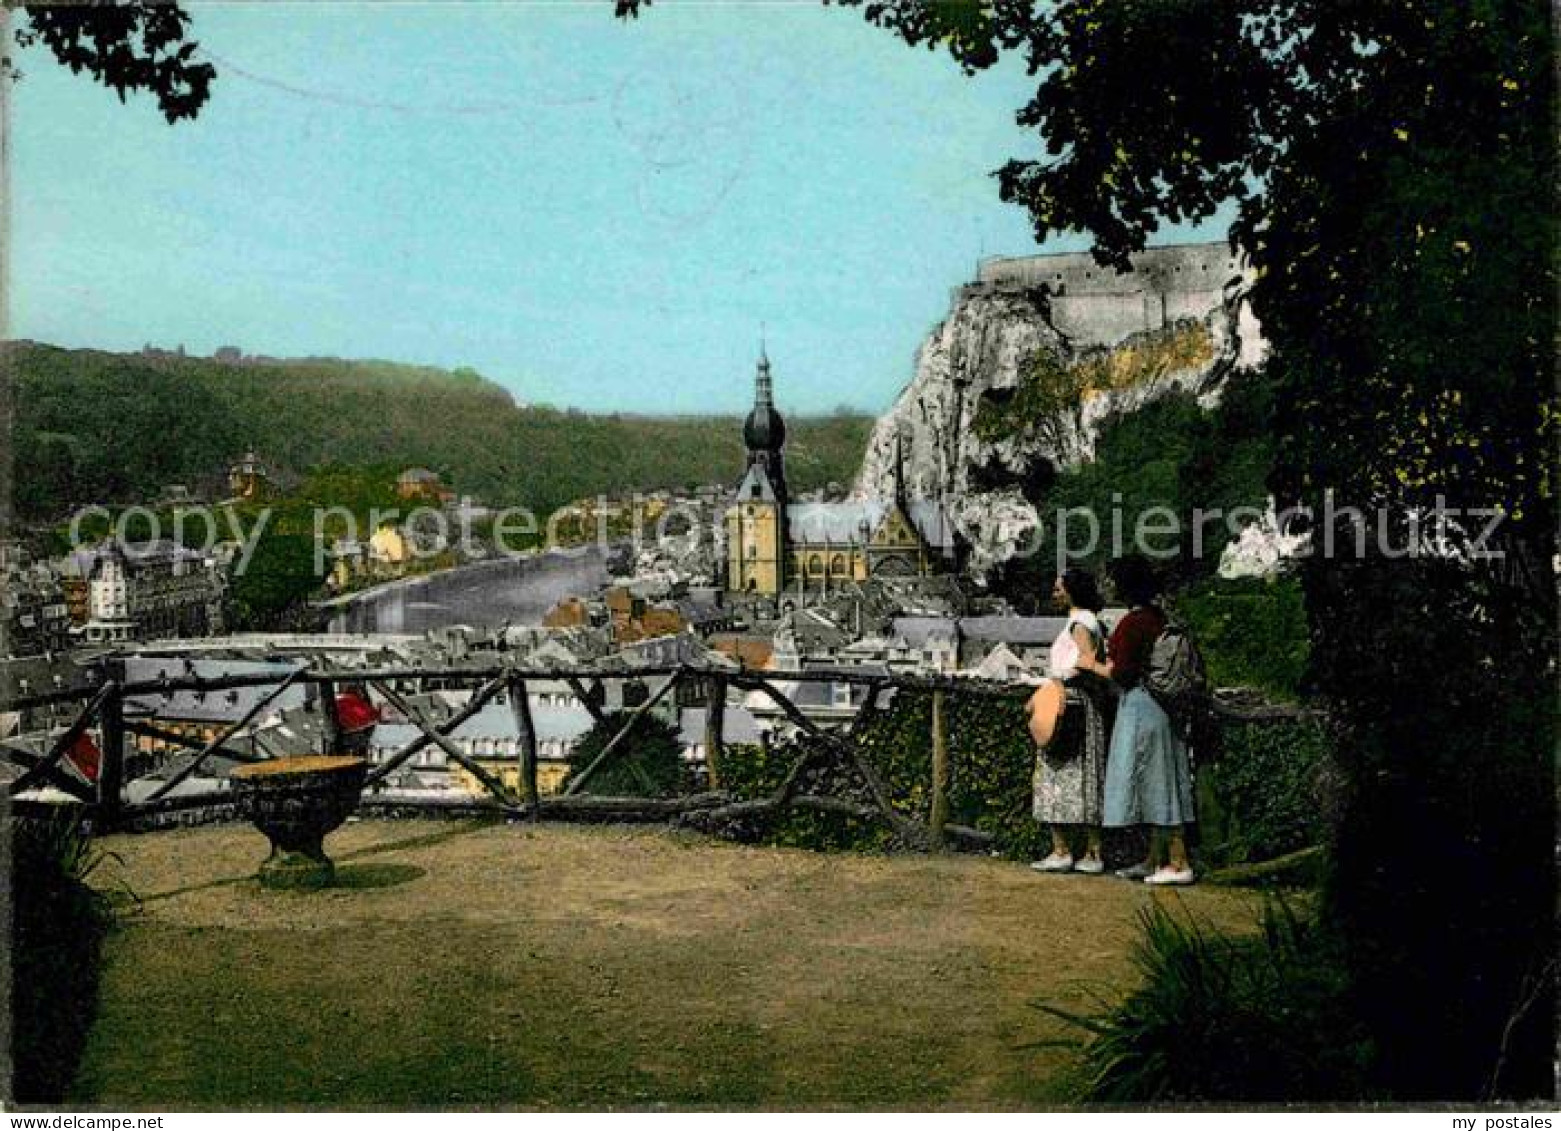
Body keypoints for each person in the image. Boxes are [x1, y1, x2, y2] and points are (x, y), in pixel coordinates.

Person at [1075, 555, 1197, 885]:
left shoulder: (1133, 623)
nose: (1108, 585)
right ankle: (1156, 859)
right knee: (1160, 777)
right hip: (1161, 708)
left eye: (1112, 580)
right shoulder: (1157, 617)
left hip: (1141, 706)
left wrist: (1089, 664)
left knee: (1154, 781)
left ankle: (1178, 861)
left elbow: (1122, 673)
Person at [1026, 568, 1112, 875]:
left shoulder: (1079, 625)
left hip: (1071, 703)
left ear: (1072, 591)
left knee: (1060, 774)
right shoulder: (1090, 621)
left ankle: (1066, 849)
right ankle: (1090, 850)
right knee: (1083, 777)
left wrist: (1058, 684)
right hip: (1078, 701)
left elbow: (1086, 663)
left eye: (1059, 589)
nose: (1055, 594)